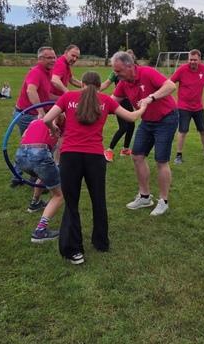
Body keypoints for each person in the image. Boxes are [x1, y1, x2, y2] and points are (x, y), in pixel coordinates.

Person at [44, 71, 147, 264]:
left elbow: (46, 119)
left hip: (70, 157)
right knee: (98, 200)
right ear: (99, 86)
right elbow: (132, 117)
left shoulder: (68, 97)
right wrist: (144, 106)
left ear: (81, 84)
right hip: (95, 158)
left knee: (71, 203)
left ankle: (74, 251)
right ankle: (101, 242)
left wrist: (53, 129)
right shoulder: (106, 100)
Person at [111, 51, 178, 216]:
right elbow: (112, 101)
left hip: (166, 118)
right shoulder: (123, 83)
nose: (116, 74)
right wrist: (92, 107)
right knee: (137, 156)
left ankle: (163, 201)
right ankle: (145, 196)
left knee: (161, 160)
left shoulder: (147, 72)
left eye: (118, 71)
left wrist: (151, 97)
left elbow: (171, 86)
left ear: (129, 66)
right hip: (147, 121)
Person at [11, 47, 60, 189]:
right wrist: (40, 112)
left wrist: (65, 98)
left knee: (28, 146)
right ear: (40, 59)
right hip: (27, 114)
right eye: (49, 57)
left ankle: (21, 176)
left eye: (54, 57)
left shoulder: (47, 73)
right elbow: (31, 90)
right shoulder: (36, 72)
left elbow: (47, 95)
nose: (53, 60)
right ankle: (34, 179)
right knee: (34, 147)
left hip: (32, 114)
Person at [15, 116, 66, 243]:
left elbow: (24, 137)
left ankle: (35, 203)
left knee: (42, 175)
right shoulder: (57, 127)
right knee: (59, 195)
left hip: (21, 156)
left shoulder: (34, 122)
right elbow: (60, 148)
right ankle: (40, 231)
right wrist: (57, 163)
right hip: (39, 155)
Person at [101, 49, 136, 162]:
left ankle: (125, 149)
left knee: (131, 125)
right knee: (124, 127)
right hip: (119, 101)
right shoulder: (115, 73)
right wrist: (94, 90)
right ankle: (109, 150)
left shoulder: (135, 71)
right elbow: (106, 83)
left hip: (128, 101)